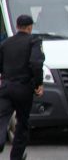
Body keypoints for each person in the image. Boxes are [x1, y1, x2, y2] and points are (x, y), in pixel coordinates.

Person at [0, 15, 44, 159]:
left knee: (2, 118)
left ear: (17, 26)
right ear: (30, 27)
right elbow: (36, 63)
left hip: (6, 87)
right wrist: (38, 84)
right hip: (24, 88)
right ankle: (16, 156)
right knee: (22, 123)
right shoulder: (34, 41)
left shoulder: (5, 43)